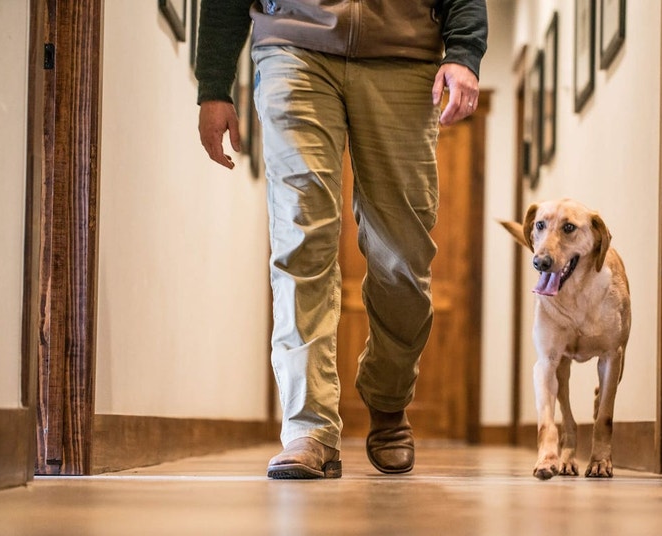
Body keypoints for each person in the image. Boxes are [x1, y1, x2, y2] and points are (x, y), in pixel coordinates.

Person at [195, 0, 488, 479]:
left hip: (405, 54)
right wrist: (214, 83)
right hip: (294, 45)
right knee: (300, 239)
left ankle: (389, 400)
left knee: (403, 256)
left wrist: (464, 50)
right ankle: (307, 427)